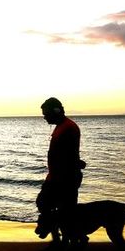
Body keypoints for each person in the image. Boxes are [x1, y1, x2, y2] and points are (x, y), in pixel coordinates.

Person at [35, 97, 86, 242]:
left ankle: (71, 240)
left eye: (46, 113)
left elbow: (68, 155)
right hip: (56, 177)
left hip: (64, 179)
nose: (44, 117)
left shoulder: (68, 128)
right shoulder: (61, 126)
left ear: (56, 111)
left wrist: (75, 164)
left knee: (61, 209)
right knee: (49, 205)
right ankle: (63, 239)